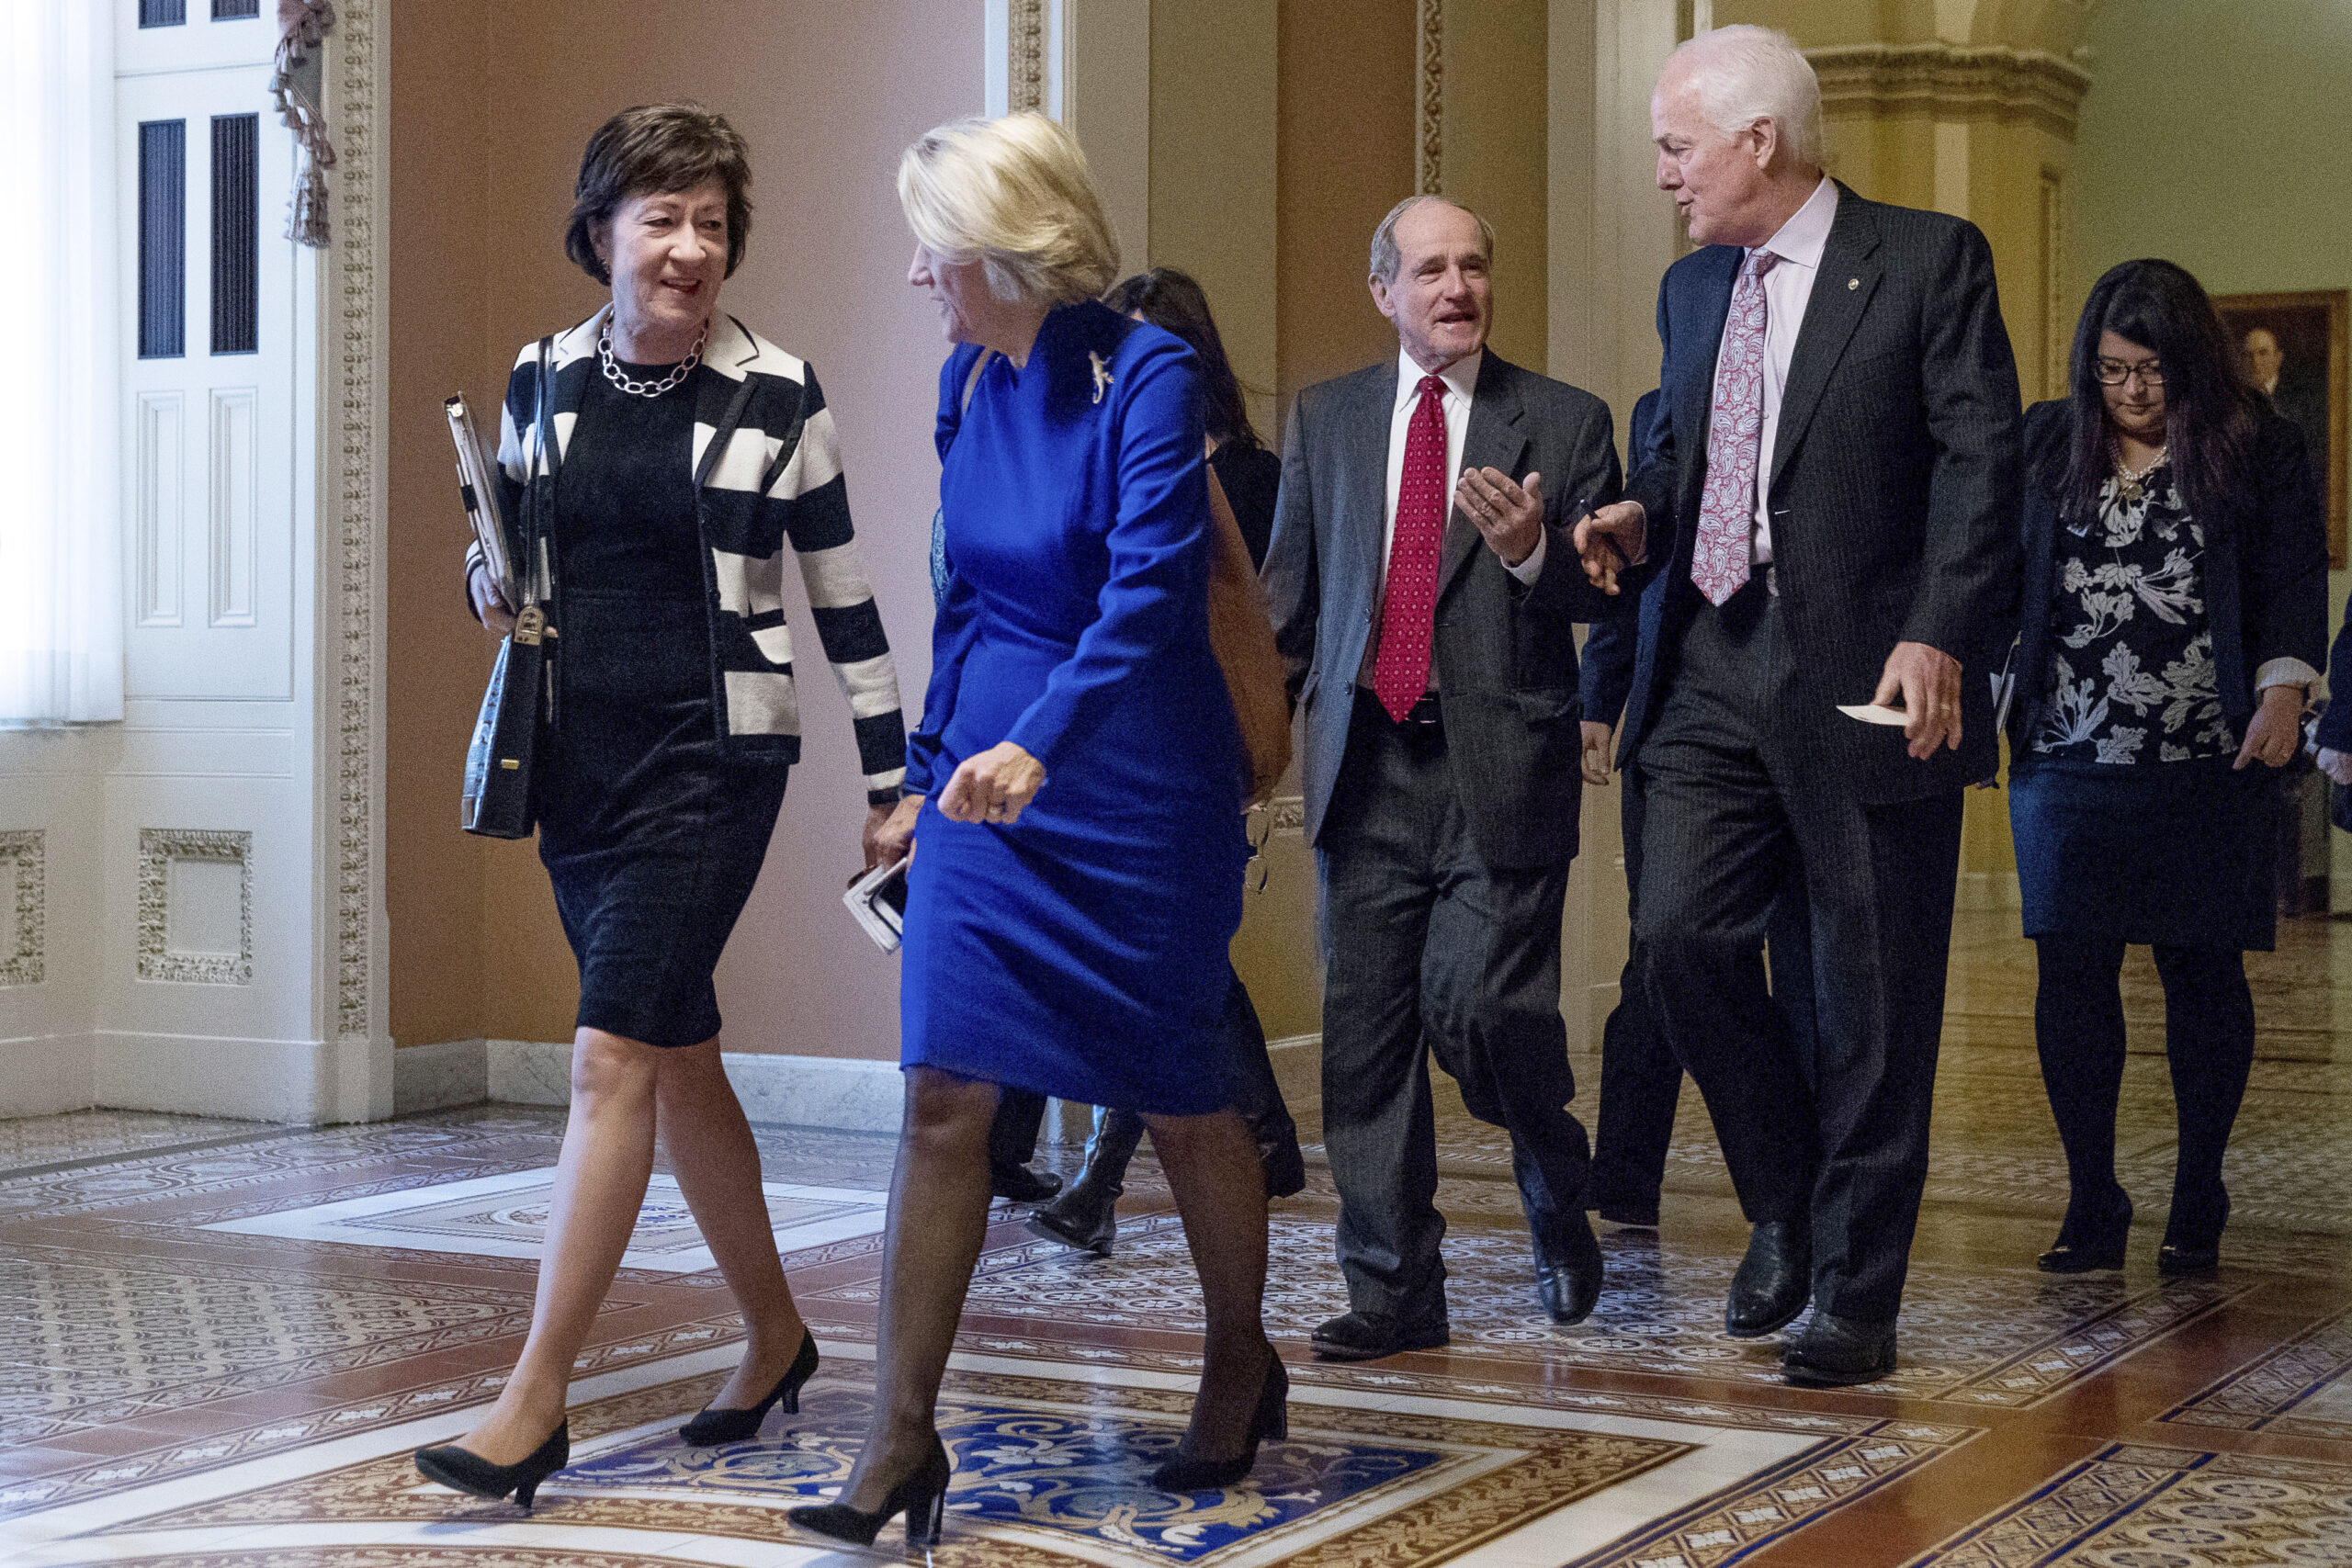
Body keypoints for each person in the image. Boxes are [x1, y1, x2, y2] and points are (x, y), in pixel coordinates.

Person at [786, 114, 1279, 1550]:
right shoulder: (968, 379)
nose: (915, 275)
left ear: (1006, 248)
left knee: (1181, 1095)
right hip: (982, 793)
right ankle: (899, 1434)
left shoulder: (1150, 368)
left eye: (931, 247)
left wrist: (1038, 744)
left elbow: (1147, 595)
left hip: (1132, 787)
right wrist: (923, 773)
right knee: (944, 1093)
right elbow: (969, 602)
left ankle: (1240, 1355)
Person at [414, 104, 908, 1507]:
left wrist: (894, 781)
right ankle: (777, 1332)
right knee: (677, 1054)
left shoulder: (780, 392)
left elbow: (846, 602)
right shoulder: (544, 376)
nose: (690, 247)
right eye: (661, 219)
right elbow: (503, 555)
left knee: (609, 1057)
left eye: (710, 222)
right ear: (602, 233)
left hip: (715, 764)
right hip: (576, 764)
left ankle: (532, 1401)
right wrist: (485, 579)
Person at [1574, 25, 2022, 1388]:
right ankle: (1784, 1200)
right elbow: (1680, 458)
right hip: (1708, 660)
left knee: (1871, 995)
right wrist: (1634, 514)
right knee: (1680, 941)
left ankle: (1854, 1291)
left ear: (1757, 141)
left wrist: (1939, 632)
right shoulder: (1690, 291)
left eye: (1676, 147)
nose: (1663, 174)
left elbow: (1981, 465)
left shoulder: (1928, 261)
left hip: (1867, 674)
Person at [1261, 193, 1633, 1362]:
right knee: (1365, 1045)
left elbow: (1606, 595)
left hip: (1499, 772)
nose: (1457, 288)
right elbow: (1287, 605)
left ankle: (1555, 1180)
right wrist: (1233, 752)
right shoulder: (1326, 418)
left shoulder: (1563, 421)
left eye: (1472, 266)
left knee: (1482, 1010)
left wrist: (1530, 550)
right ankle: (1391, 1290)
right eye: (1429, 270)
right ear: (1384, 292)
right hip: (1364, 766)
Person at [2010, 260, 2325, 1278]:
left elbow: (2290, 578)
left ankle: (2198, 1187)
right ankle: (2090, 1195)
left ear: (2190, 362)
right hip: (2067, 754)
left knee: (2201, 971)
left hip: (2206, 754)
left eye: (2151, 370)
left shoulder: (2258, 444)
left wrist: (2285, 692)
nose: (2133, 391)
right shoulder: (2045, 440)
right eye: (2112, 370)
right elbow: (1997, 571)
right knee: (2070, 974)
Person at [1030, 265, 1307, 1258]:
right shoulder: (1097, 460)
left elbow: (1270, 620)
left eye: (1160, 347)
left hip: (1203, 742)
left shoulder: (1254, 475)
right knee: (1169, 954)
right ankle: (1263, 1137)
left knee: (1162, 950)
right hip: (1106, 743)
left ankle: (1100, 1181)